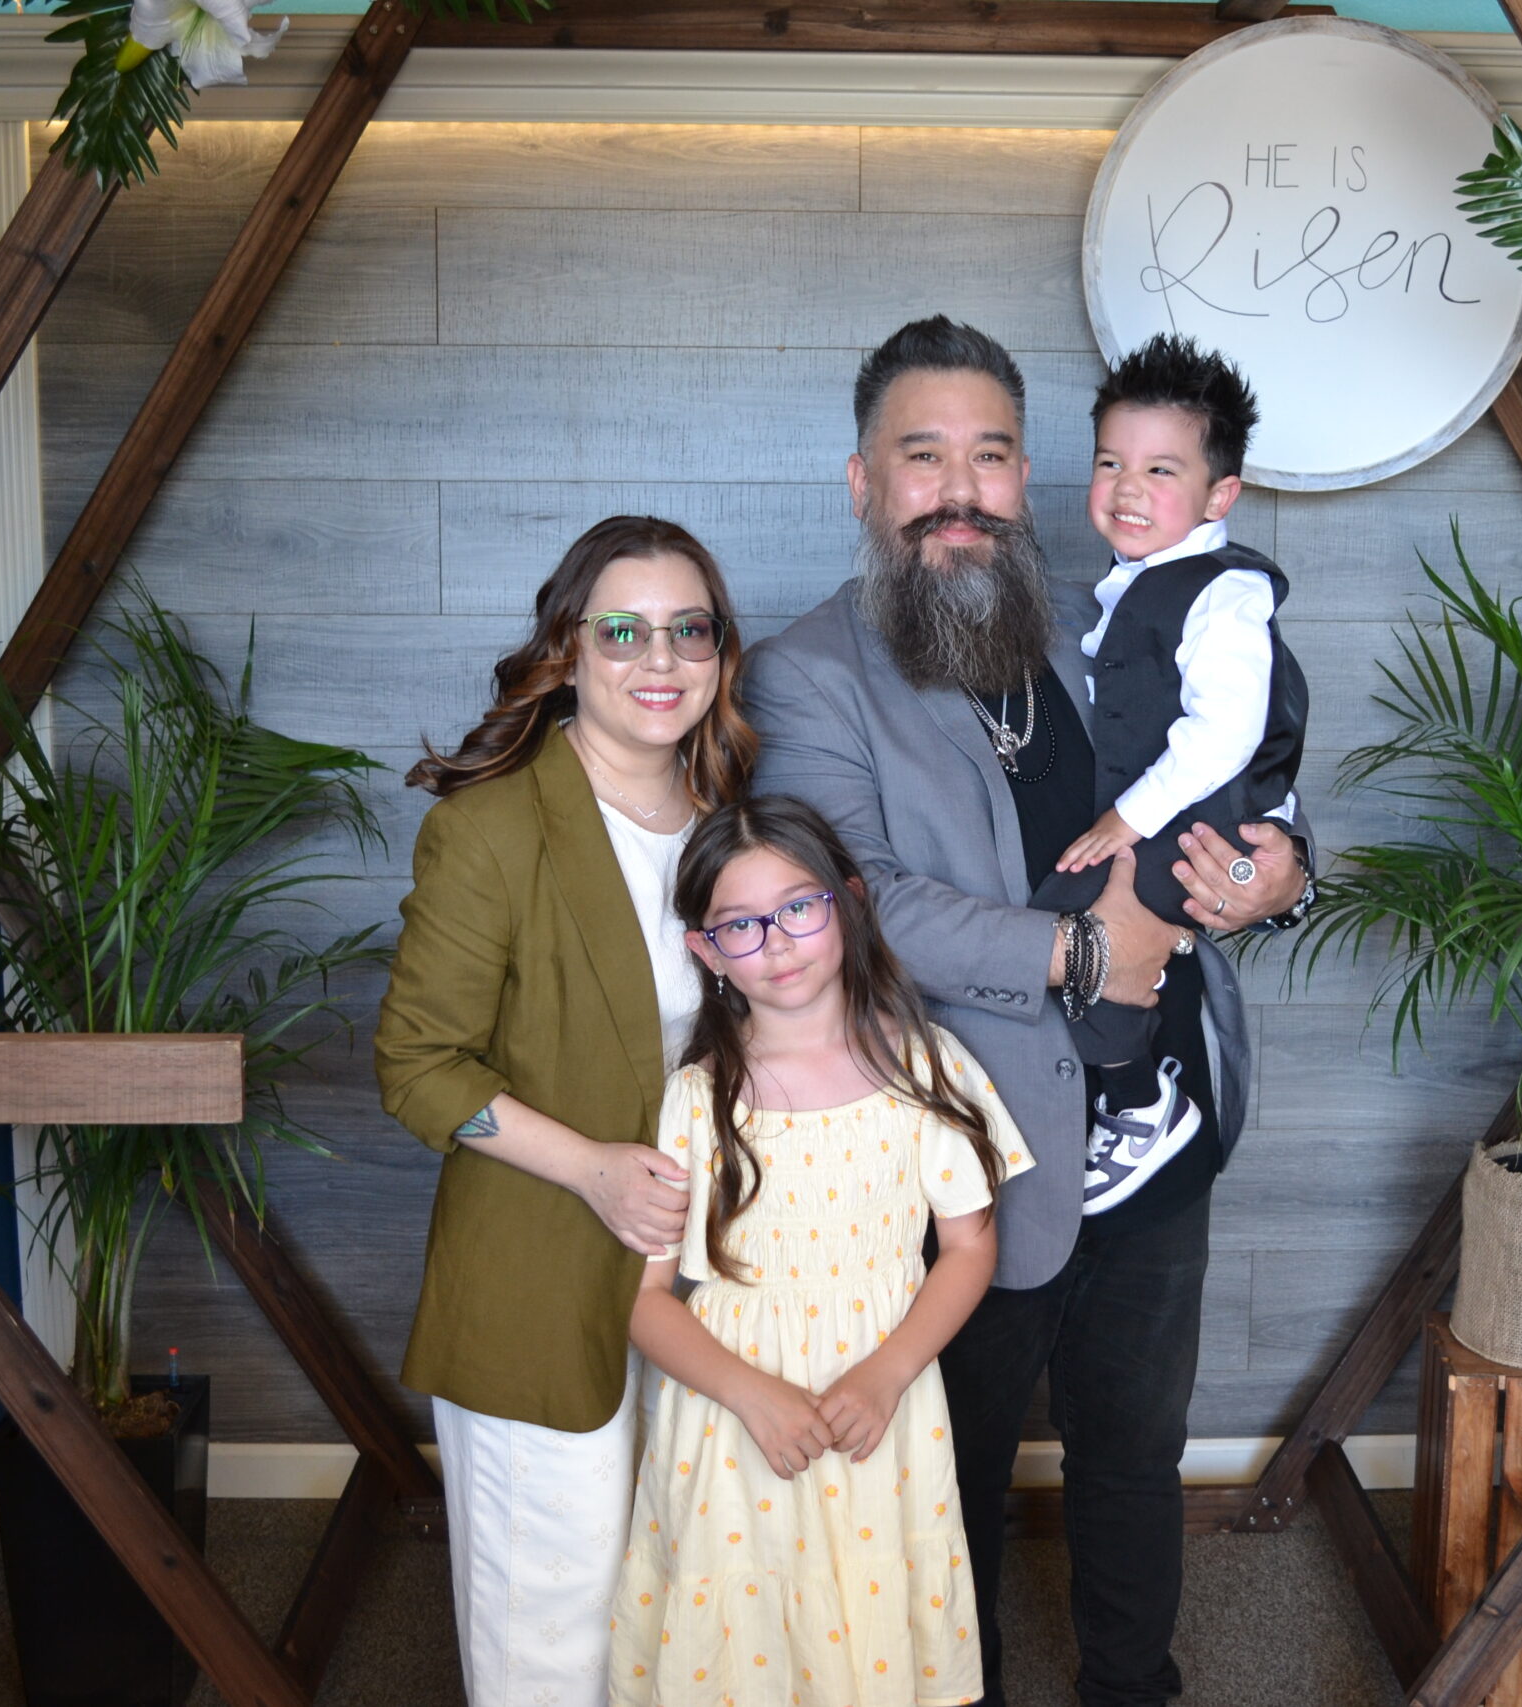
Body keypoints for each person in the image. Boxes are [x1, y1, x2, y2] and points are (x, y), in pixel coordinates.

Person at [741, 318, 1314, 1707]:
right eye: (922, 455)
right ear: (863, 481)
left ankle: (1136, 1687)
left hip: (1156, 1133)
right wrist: (1082, 953)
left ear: (1024, 475)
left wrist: (1284, 872)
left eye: (990, 456)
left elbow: (1240, 763)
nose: (960, 489)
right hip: (960, 1166)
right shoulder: (807, 672)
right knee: (952, 1476)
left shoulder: (1108, 612)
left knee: (1135, 1450)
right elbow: (852, 901)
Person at [375, 515, 756, 1707]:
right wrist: (593, 1168)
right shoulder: (489, 827)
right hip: (540, 1274)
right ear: (567, 648)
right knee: (554, 1632)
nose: (661, 659)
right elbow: (418, 1066)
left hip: (708, 1281)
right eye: (623, 632)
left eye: (689, 630)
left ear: (721, 652)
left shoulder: (734, 820)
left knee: (684, 1609)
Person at [608, 795, 1034, 1707]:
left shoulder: (926, 1065)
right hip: (731, 1422)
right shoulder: (694, 1098)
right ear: (707, 951)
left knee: (871, 1618)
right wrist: (749, 1393)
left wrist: (886, 1373)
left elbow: (969, 1245)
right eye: (742, 925)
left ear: (847, 902)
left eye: (799, 907)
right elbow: (644, 1298)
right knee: (748, 1627)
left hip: (880, 1403)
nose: (778, 942)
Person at [1039, 334, 1308, 1212]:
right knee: (1067, 928)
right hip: (1180, 816)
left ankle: (1138, 1103)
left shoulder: (1224, 592)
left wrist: (1130, 817)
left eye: (1160, 470)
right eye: (1110, 462)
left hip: (1193, 824)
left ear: (1220, 494)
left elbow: (1230, 731)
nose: (1127, 488)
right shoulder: (1133, 585)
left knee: (1068, 927)